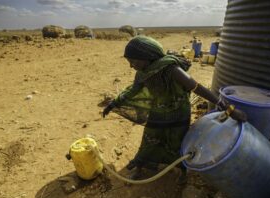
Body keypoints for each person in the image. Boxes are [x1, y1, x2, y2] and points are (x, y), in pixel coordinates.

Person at [102, 36, 246, 184]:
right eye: (129, 61)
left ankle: (183, 171)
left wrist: (228, 108)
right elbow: (133, 90)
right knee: (149, 140)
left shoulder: (171, 69)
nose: (131, 66)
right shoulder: (142, 73)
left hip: (178, 114)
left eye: (133, 61)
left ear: (147, 56)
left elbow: (197, 88)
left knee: (177, 143)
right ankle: (140, 166)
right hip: (157, 113)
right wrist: (114, 103)